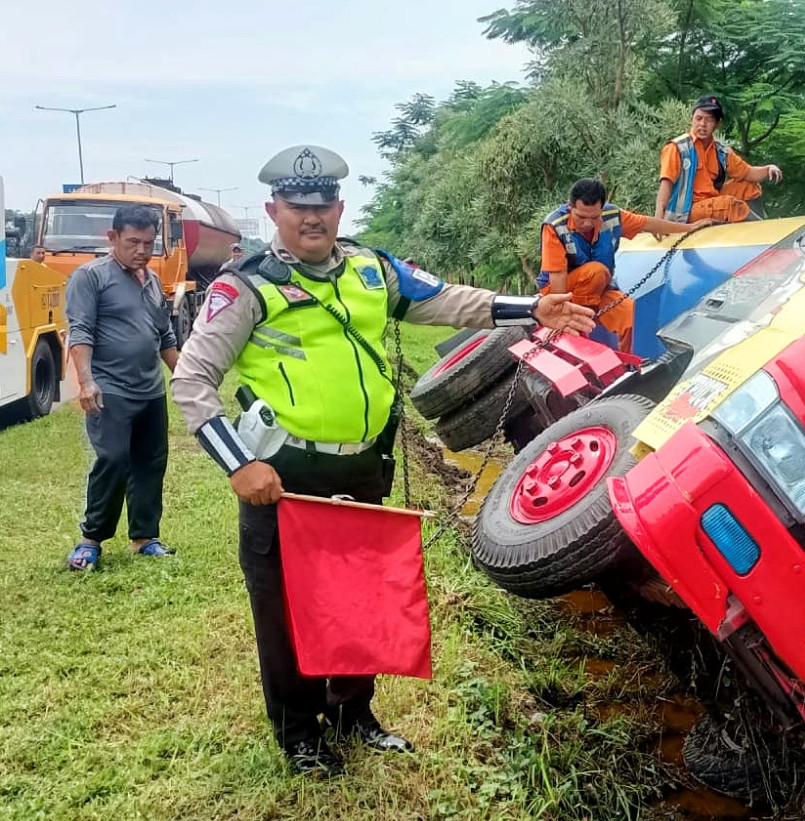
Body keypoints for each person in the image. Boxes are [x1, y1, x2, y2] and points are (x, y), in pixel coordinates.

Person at [171, 145, 594, 779]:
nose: (311, 218)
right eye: (296, 207)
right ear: (273, 210)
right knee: (286, 606)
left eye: (322, 207)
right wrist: (238, 466)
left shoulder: (372, 270)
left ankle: (353, 712)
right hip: (284, 477)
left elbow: (448, 300)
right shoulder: (246, 285)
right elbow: (192, 380)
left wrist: (531, 308)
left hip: (365, 466)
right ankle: (299, 733)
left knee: (360, 594)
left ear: (339, 208)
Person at [65, 205, 179, 571]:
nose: (142, 250)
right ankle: (90, 540)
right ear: (111, 238)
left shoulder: (153, 281)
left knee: (150, 462)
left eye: (148, 242)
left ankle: (144, 537)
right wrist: (86, 381)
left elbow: (164, 334)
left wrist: (185, 375)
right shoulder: (91, 277)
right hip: (110, 388)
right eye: (133, 242)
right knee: (112, 459)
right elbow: (80, 331)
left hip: (151, 389)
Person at [538, 178, 710, 353]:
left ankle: (629, 366)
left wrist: (689, 228)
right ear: (570, 206)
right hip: (560, 292)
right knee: (596, 272)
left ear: (602, 208)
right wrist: (559, 312)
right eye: (581, 217)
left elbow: (648, 224)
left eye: (594, 217)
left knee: (631, 315)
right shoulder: (554, 226)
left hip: (600, 287)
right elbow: (557, 276)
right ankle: (580, 326)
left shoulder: (612, 215)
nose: (588, 223)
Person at [655, 96, 783, 225]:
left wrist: (768, 169)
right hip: (685, 212)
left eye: (709, 119)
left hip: (711, 201)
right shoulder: (678, 147)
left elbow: (747, 173)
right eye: (698, 118)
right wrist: (658, 221)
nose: (702, 124)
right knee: (729, 205)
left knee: (749, 187)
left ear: (717, 124)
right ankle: (762, 233)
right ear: (691, 119)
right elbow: (666, 183)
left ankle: (759, 227)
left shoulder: (721, 151)